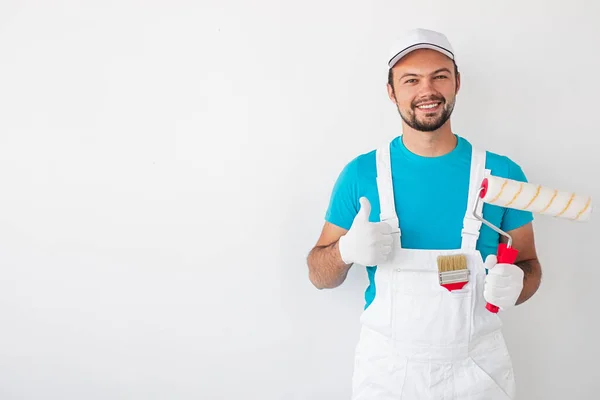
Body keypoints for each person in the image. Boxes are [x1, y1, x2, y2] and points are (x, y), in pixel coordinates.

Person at [306, 28, 542, 399]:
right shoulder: (361, 174)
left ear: (457, 83)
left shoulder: (503, 176)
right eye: (411, 79)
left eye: (439, 76)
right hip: (388, 375)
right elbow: (318, 274)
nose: (426, 91)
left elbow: (529, 265)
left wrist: (518, 284)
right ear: (391, 91)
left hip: (478, 374)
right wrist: (344, 252)